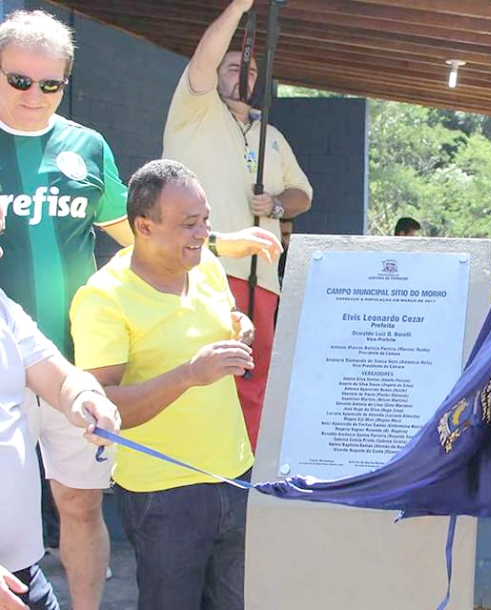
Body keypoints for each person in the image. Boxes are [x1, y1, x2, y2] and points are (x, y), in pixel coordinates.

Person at [70, 160, 259, 609]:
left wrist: (239, 325)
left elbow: (219, 321)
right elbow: (102, 410)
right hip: (164, 495)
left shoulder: (206, 266)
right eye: (189, 224)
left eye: (206, 219)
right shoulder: (104, 298)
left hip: (234, 475)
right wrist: (189, 375)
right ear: (144, 226)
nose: (203, 233)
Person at [163, 0, 314, 450]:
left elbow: (303, 194)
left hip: (261, 277)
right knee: (201, 372)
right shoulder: (195, 111)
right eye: (232, 66)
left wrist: (278, 206)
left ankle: (245, 471)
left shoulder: (272, 135)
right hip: (200, 269)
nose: (241, 75)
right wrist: (240, 8)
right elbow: (205, 60)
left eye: (249, 69)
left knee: (255, 377)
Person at [0, 203, 121, 610]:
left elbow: (62, 378)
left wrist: (86, 398)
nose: (1, 250)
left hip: (22, 575)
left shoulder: (5, 311)